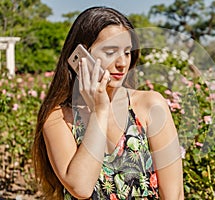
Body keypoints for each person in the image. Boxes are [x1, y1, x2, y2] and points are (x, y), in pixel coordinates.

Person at [32, 6, 184, 200]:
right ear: (82, 55)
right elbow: (81, 187)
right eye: (111, 51)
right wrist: (99, 112)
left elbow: (175, 195)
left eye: (127, 52)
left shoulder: (149, 105)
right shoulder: (59, 117)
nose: (122, 63)